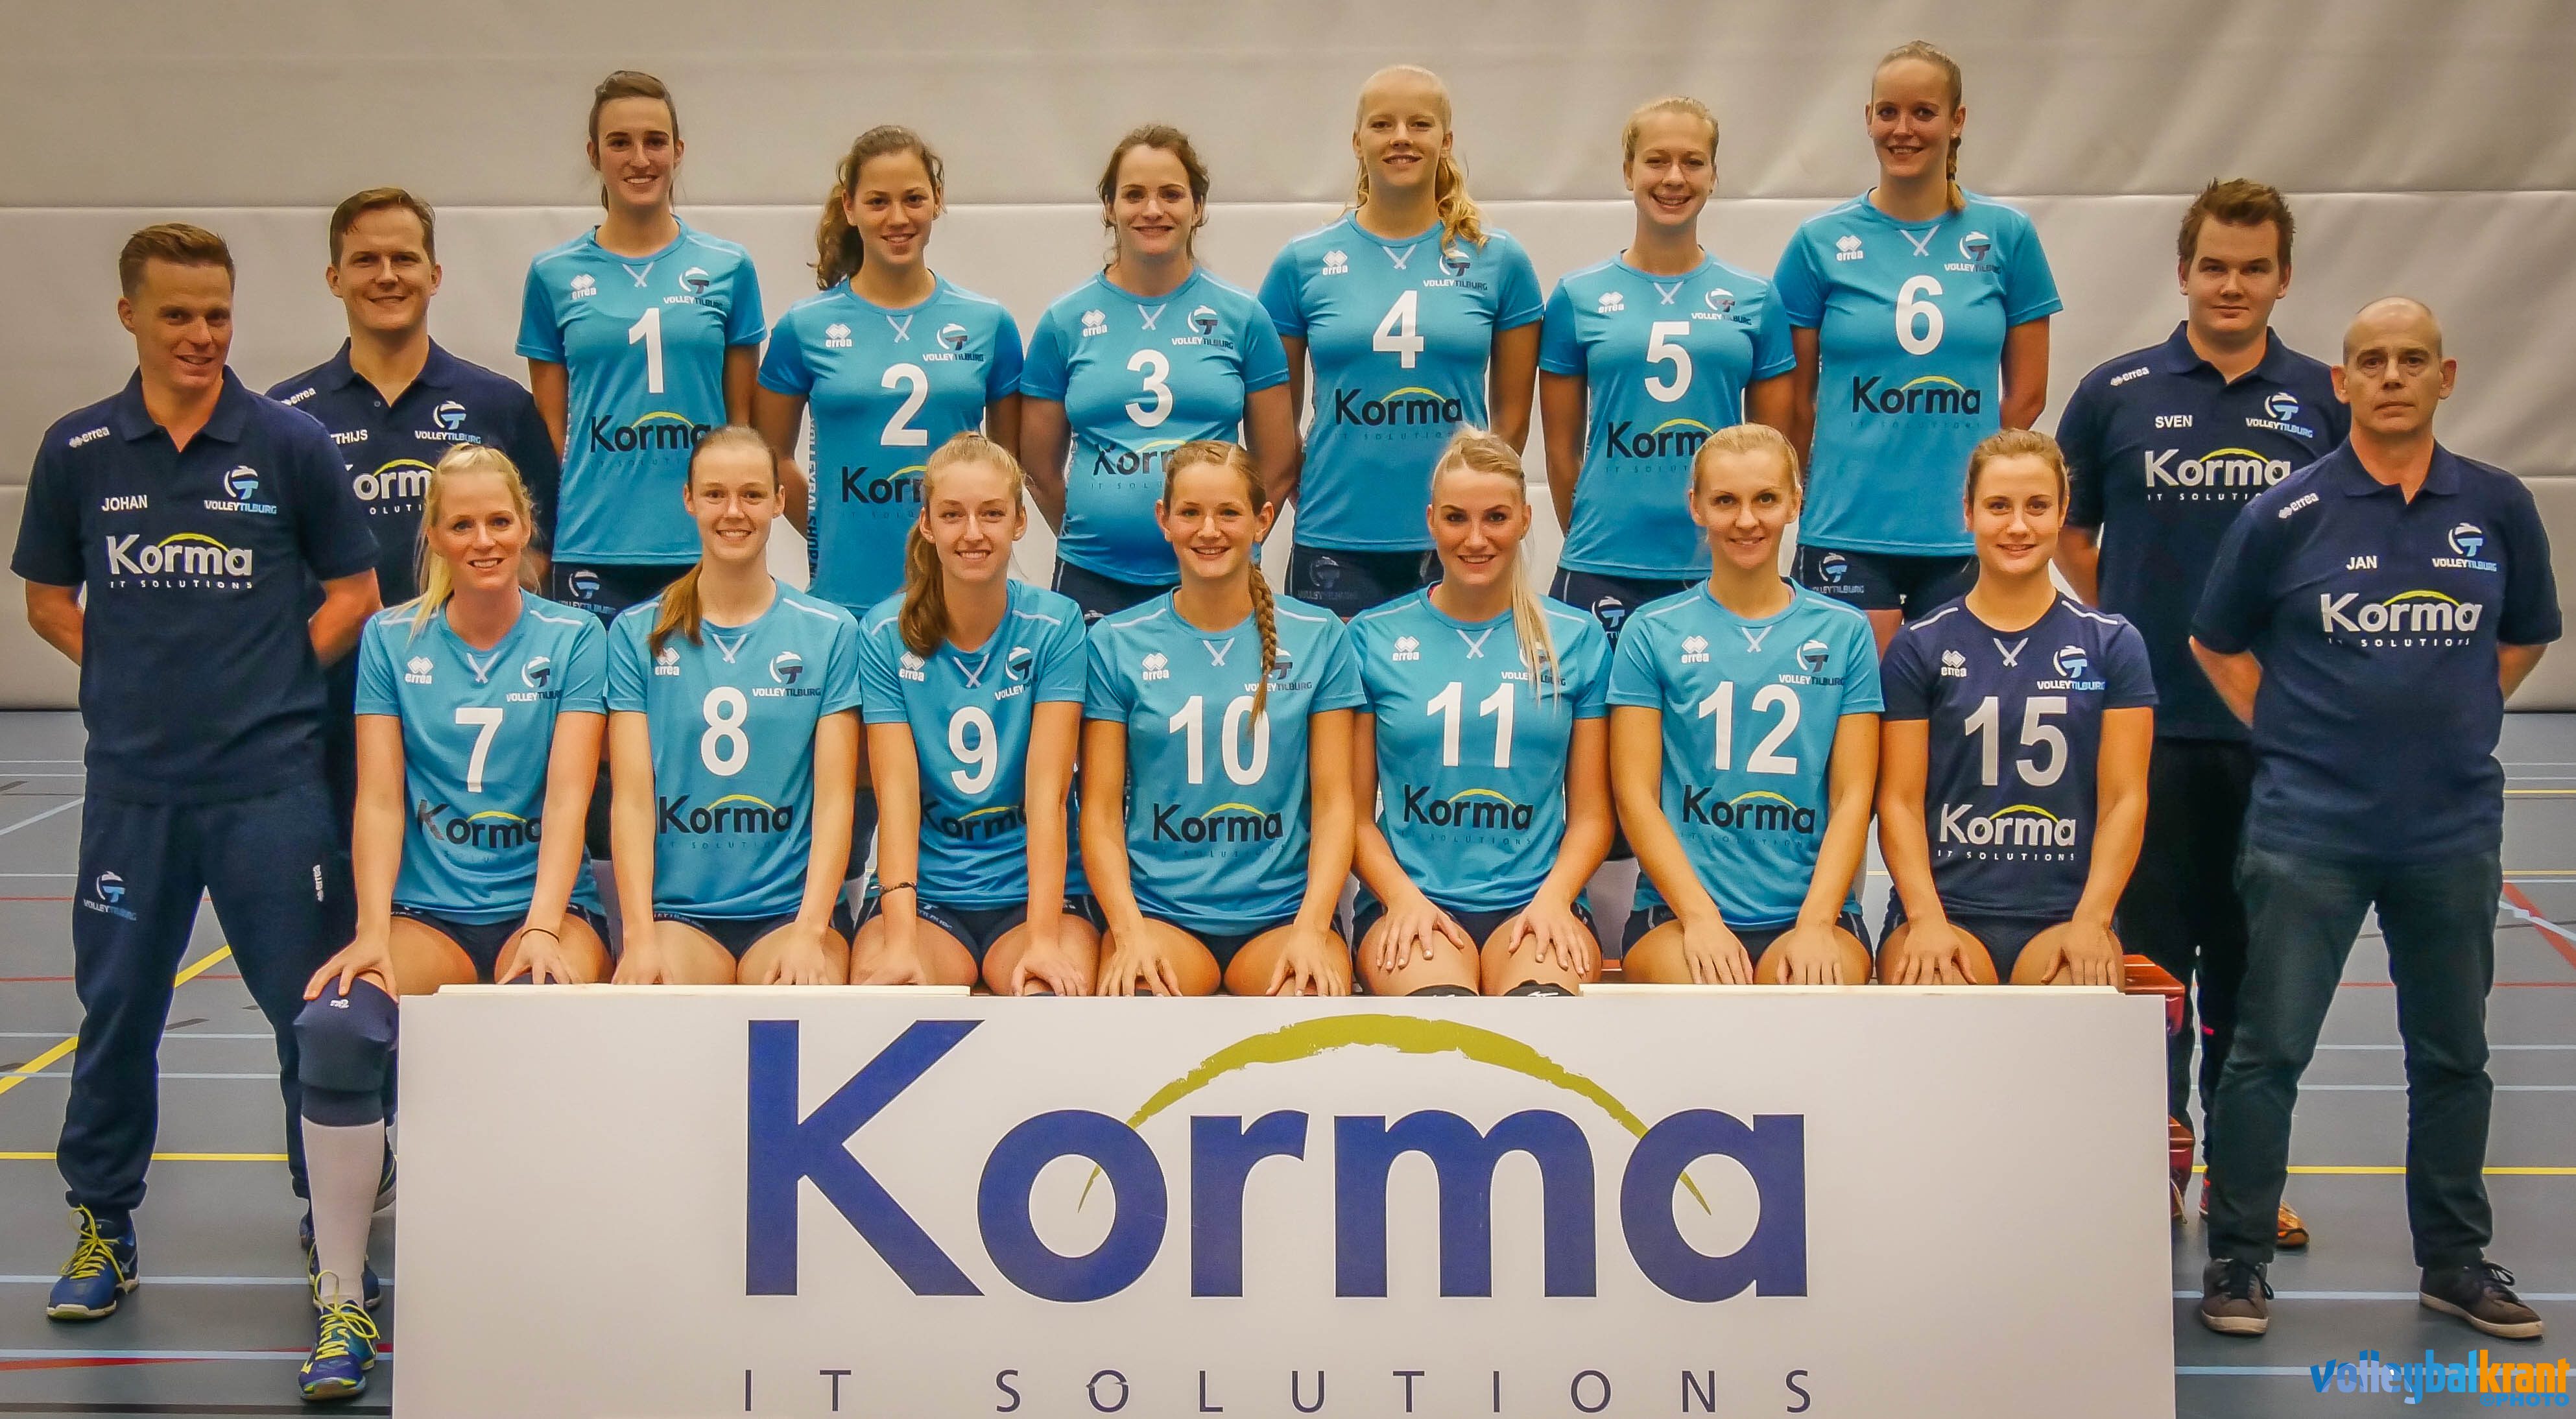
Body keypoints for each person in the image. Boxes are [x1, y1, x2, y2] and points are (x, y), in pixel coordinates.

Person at [16, 224, 381, 1322]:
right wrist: (130, 677)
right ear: (129, 314)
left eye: (217, 314)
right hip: (135, 793)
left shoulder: (289, 444)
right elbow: (47, 600)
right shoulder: (79, 449)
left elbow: (355, 594)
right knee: (117, 1011)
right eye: (177, 314)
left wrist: (271, 680)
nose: (201, 335)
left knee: (308, 1018)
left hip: (271, 789)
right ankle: (104, 1223)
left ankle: (331, 1231)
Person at [2192, 298, 2559, 1341]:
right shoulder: (2285, 513)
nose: (2392, 376)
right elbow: (2215, 640)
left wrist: (2454, 720)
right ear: (2341, 382)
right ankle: (2239, 1262)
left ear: (2447, 377)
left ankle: (2455, 1261)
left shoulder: (2497, 506)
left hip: (2449, 835)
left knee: (2453, 1057)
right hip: (2307, 832)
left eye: (2411, 360)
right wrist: (2294, 733)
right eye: (2371, 361)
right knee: (2268, 1053)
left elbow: (2525, 636)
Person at [2055, 179, 2343, 1248]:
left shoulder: (2322, 400)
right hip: (2146, 737)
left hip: (2275, 741)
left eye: (2253, 268)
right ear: (2182, 271)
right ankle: (2151, 1166)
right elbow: (2072, 532)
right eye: (2213, 265)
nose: (2231, 285)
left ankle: (2245, 1181)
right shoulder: (2115, 392)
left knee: (2251, 977)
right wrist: (2132, 629)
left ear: (2283, 277)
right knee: (2148, 970)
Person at [285, 444, 606, 1400]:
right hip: (428, 912)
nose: (483, 540)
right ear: (432, 536)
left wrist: (542, 925)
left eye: (499, 521)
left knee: (541, 1015)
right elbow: (381, 798)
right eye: (461, 524)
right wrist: (371, 929)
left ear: (527, 527)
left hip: (544, 906)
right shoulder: (392, 640)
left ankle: (545, 1282)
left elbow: (569, 798)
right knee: (336, 1026)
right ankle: (344, 1292)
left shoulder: (574, 637)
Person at [268, 187, 561, 850]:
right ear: (334, 278)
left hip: (470, 701)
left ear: (435, 274)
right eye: (365, 260)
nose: (387, 276)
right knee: (345, 886)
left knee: (464, 884)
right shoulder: (286, 416)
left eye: (404, 258)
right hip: (332, 704)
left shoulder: (499, 405)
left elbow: (539, 553)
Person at [1773, 40, 2060, 649]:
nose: (1903, 130)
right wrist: (1808, 492)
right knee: (1852, 703)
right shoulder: (1819, 242)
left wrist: (1975, 481)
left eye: (1924, 113)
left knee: (1957, 702)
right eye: (1888, 112)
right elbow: (1794, 403)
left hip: (1962, 532)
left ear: (1957, 121)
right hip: (1846, 526)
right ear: (1868, 118)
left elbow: (2028, 395)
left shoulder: (2007, 235)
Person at [1259, 64, 1543, 617]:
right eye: (1383, 124)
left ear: (1447, 141)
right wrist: (1313, 482)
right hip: (1337, 538)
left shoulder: (1499, 259)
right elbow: (1275, 424)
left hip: (1460, 543)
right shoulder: (1302, 263)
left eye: (1420, 124)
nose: (1401, 138)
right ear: (1357, 141)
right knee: (1336, 680)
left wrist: (1476, 510)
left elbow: (1510, 426)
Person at [1081, 441, 1362, 995]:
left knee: (1308, 1001)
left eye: (1228, 513)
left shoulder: (1320, 636)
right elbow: (1100, 811)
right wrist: (1129, 932)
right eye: (1190, 512)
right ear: (1164, 520)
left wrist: (1312, 929)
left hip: (1283, 916)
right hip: (1161, 915)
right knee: (1137, 1001)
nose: (1209, 531)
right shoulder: (1116, 642)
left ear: (1262, 520)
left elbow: (1335, 805)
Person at [1876, 430, 2154, 985]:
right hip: (1947, 910)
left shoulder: (2112, 643)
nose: (2019, 526)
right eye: (1999, 506)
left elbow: (2125, 798)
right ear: (1969, 513)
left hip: (2065, 913)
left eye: (2037, 507)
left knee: (2080, 992)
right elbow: (1899, 801)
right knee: (1935, 988)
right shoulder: (1921, 644)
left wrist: (2093, 921)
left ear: (2063, 513)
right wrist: (1925, 919)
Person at [1608, 425, 1880, 984]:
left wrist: (1816, 924)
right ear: (1696, 506)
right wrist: (1700, 919)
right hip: (1678, 915)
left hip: (1812, 914)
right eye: (1726, 501)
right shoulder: (1651, 630)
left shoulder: (1845, 631)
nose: (1747, 520)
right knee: (1710, 996)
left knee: (1806, 994)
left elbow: (1853, 796)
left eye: (1766, 499)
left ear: (1795, 503)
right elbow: (1635, 795)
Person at [1348, 430, 1612, 995]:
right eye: (1456, 518)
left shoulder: (1577, 638)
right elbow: (1351, 814)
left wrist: (1554, 901)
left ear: (1525, 519)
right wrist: (1402, 900)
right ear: (1431, 521)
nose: (1475, 539)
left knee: (1539, 1011)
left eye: (1495, 518)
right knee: (1440, 1014)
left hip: (1537, 900)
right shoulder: (1373, 637)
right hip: (1411, 901)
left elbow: (1592, 815)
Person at [604, 428, 860, 985]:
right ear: (689, 500)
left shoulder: (830, 632)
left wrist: (811, 933)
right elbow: (633, 800)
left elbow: (836, 801)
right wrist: (639, 938)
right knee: (652, 996)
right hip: (681, 916)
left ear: (779, 501)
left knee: (800, 994)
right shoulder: (636, 633)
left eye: (752, 494)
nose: (734, 512)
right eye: (715, 494)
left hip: (792, 912)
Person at [1539, 95, 1795, 645]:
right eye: (1656, 161)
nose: (1674, 178)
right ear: (1628, 171)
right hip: (1603, 562)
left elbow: (1775, 452)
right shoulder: (1577, 296)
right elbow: (1560, 454)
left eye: (1692, 162)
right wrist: (1596, 533)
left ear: (1713, 175)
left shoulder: (1755, 298)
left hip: (1719, 566)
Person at [850, 434, 1098, 993]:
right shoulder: (885, 632)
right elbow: (897, 799)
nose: (972, 533)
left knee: (1049, 994)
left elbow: (1049, 796)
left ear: (1019, 522)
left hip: (1036, 896)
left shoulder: (1056, 624)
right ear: (927, 525)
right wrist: (902, 940)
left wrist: (1042, 939)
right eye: (952, 515)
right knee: (886, 989)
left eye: (991, 514)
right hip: (928, 897)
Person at [1021, 125, 1297, 622]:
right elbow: (1038, 470)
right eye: (1134, 195)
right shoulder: (1065, 321)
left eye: (1171, 194)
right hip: (1095, 576)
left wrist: (1225, 543)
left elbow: (1276, 466)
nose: (1152, 210)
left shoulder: (1242, 318)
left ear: (1198, 207)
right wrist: (1098, 534)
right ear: (1109, 207)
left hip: (1214, 575)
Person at [519, 69, 765, 624]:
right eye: (620, 143)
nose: (639, 159)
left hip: (704, 541)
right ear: (594, 154)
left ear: (678, 151)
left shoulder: (728, 267)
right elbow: (554, 434)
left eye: (655, 141)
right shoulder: (553, 274)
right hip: (592, 543)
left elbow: (740, 426)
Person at [755, 125, 1023, 617]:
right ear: (849, 206)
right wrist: (824, 528)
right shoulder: (804, 326)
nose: (898, 218)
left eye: (913, 199)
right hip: (845, 600)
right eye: (878, 202)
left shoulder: (989, 324)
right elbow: (769, 457)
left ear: (937, 200)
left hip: (957, 600)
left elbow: (1007, 468)